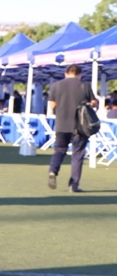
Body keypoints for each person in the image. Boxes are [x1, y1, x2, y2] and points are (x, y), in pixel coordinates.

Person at [47, 64, 97, 193]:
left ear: (66, 73)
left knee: (59, 150)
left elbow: (52, 105)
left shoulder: (56, 85)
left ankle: (53, 170)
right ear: (80, 74)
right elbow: (93, 102)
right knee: (77, 155)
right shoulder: (85, 85)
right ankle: (73, 185)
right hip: (79, 125)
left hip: (61, 124)